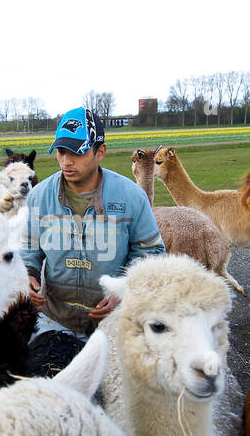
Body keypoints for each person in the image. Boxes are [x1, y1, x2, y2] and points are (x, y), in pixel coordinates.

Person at [21, 107, 164, 338]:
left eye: (77, 152)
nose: (66, 161)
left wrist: (125, 290)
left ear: (100, 152)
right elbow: (28, 248)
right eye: (61, 151)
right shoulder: (39, 196)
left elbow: (151, 251)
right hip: (54, 322)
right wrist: (28, 274)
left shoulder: (130, 196)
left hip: (115, 323)